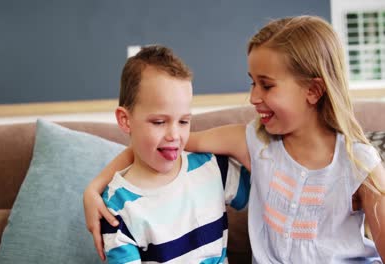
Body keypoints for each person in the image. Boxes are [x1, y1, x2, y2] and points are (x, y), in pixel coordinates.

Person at [84, 16, 385, 263]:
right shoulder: (252, 142)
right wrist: (95, 188)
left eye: (266, 85)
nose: (253, 97)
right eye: (252, 83)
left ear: (313, 91)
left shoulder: (361, 164)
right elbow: (164, 146)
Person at [94, 45, 250, 263]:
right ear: (125, 120)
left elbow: (270, 196)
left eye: (184, 121)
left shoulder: (211, 166)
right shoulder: (116, 208)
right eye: (159, 122)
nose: (174, 135)